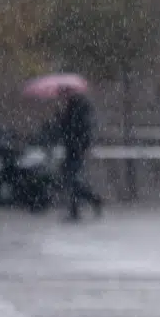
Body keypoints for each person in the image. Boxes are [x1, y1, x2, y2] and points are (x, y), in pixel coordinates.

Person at [56, 88, 103, 221]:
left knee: (73, 179)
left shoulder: (79, 107)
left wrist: (80, 144)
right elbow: (66, 129)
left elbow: (78, 128)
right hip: (71, 148)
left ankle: (78, 208)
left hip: (76, 149)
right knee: (71, 179)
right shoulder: (72, 108)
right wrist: (61, 117)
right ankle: (90, 201)